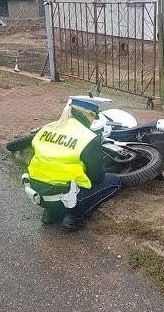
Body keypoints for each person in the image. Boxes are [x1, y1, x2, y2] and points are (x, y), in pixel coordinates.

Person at [27, 98, 122, 231]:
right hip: (65, 198)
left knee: (55, 179)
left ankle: (51, 214)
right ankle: (74, 218)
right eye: (93, 117)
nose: (93, 121)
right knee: (115, 182)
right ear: (88, 114)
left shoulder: (47, 128)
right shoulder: (88, 137)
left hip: (37, 192)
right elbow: (97, 177)